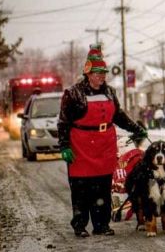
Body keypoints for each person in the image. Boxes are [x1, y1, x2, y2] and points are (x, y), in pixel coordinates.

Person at [58, 44, 146, 238]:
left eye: (103, 72)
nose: (101, 76)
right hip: (80, 147)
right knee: (81, 190)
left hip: (104, 145)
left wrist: (136, 128)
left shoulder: (110, 92)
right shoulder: (73, 94)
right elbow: (63, 122)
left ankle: (101, 225)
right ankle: (80, 225)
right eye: (97, 72)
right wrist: (64, 146)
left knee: (102, 188)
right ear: (88, 73)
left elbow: (119, 116)